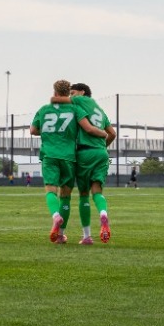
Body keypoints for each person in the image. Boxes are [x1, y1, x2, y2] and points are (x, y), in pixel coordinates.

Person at [32, 80, 82, 243]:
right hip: (68, 156)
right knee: (66, 196)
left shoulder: (44, 109)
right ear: (68, 93)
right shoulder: (75, 109)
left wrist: (49, 132)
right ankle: (60, 234)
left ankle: (55, 216)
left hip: (50, 155)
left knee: (50, 190)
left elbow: (33, 130)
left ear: (54, 92)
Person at [69, 82, 117, 244]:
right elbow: (112, 133)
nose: (71, 96)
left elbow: (60, 101)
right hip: (101, 153)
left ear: (82, 92)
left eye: (73, 92)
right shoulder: (100, 110)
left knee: (83, 195)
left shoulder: (79, 101)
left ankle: (87, 236)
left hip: (85, 152)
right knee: (97, 190)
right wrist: (103, 146)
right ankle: (103, 213)